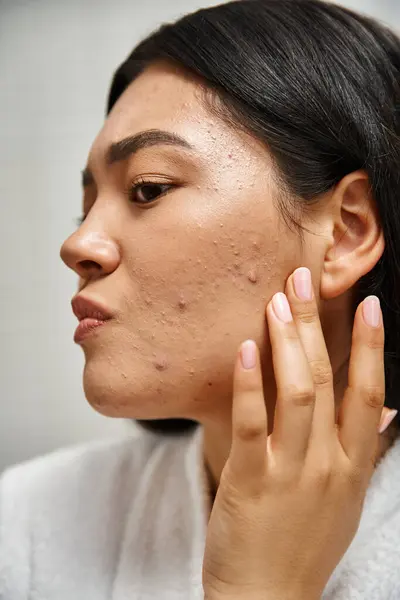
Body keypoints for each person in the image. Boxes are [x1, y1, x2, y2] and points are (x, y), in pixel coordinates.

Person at [1, 0, 400, 597]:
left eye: (148, 188)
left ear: (344, 231)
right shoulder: (27, 524)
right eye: (85, 208)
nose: (77, 243)